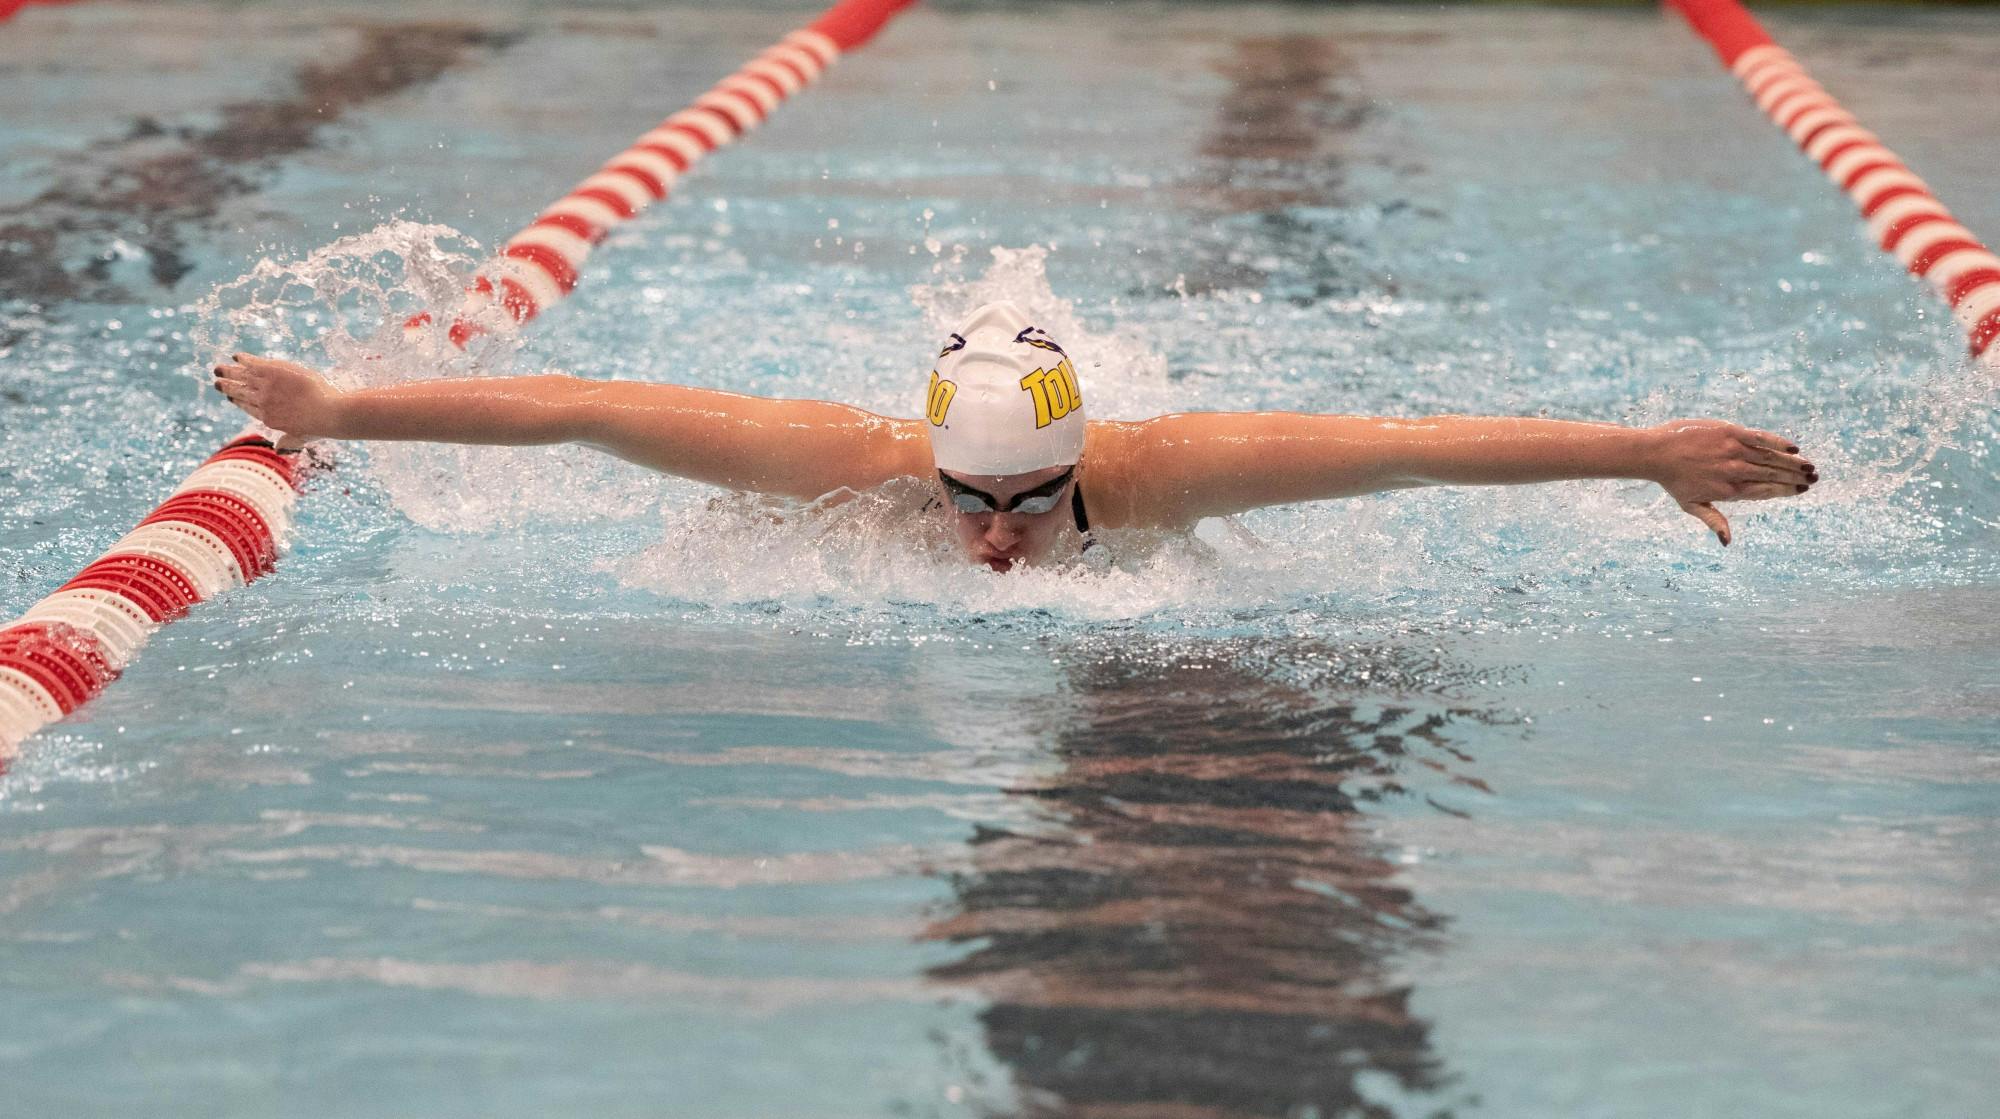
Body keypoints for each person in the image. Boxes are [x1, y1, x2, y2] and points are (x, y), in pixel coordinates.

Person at [212, 300, 1815, 572]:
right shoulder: (849, 461)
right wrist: (342, 410)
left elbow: (1408, 444)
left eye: (1033, 506)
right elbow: (578, 412)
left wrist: (1642, 451)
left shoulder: (1164, 471)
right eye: (969, 502)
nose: (993, 542)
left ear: (1079, 466)